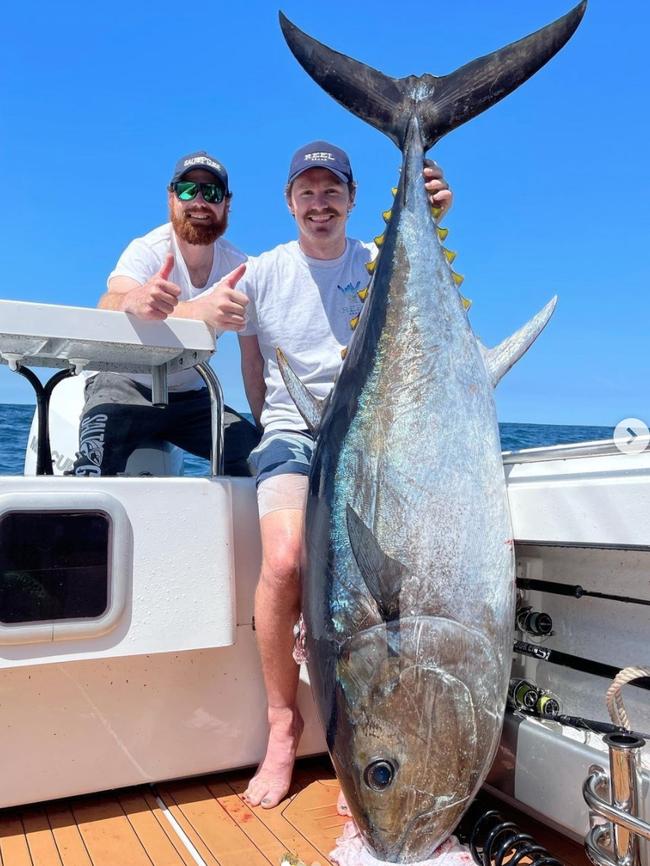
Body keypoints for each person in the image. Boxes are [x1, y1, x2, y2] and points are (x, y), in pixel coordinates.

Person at [238, 141, 452, 808]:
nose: (319, 202)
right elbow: (253, 370)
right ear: (289, 200)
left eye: (332, 191)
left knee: (395, 574)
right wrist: (276, 423)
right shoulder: (261, 273)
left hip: (377, 434)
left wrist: (439, 211)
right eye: (307, 190)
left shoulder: (375, 259)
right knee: (285, 560)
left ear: (353, 200)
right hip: (295, 433)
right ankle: (284, 724)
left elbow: (424, 312)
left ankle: (366, 734)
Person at [71, 151, 259, 477]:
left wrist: (266, 426)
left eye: (212, 193)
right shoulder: (147, 250)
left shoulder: (242, 268)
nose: (199, 201)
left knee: (261, 459)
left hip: (192, 399)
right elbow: (108, 301)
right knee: (90, 471)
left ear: (226, 204)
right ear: (171, 197)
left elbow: (254, 359)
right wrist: (133, 299)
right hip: (123, 387)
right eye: (188, 190)